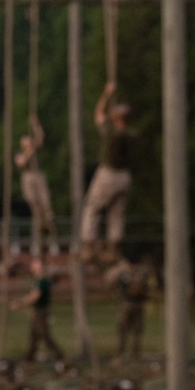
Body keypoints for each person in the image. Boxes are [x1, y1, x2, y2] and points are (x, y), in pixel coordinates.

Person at [80, 81, 132, 263]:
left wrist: (107, 93)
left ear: (117, 117)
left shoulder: (111, 133)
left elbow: (99, 113)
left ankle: (88, 247)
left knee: (92, 207)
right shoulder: (129, 134)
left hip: (108, 174)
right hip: (125, 176)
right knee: (117, 213)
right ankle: (113, 250)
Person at [15, 117, 59, 257]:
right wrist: (29, 152)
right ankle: (38, 242)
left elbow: (40, 136)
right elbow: (21, 163)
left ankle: (52, 239)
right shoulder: (20, 154)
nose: (29, 143)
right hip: (28, 178)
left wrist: (35, 124)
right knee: (35, 210)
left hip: (38, 176)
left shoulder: (36, 148)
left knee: (47, 209)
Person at [11, 258, 65, 366]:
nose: (33, 266)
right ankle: (29, 359)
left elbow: (36, 296)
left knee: (44, 336)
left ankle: (61, 358)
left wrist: (20, 303)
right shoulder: (38, 280)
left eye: (36, 264)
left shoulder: (42, 280)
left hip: (41, 311)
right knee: (33, 336)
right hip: (37, 310)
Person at [106, 257, 152, 362]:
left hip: (138, 303)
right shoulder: (124, 274)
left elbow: (145, 288)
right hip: (127, 303)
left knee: (137, 330)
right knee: (122, 329)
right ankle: (119, 354)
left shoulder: (141, 275)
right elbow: (111, 283)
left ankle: (135, 355)